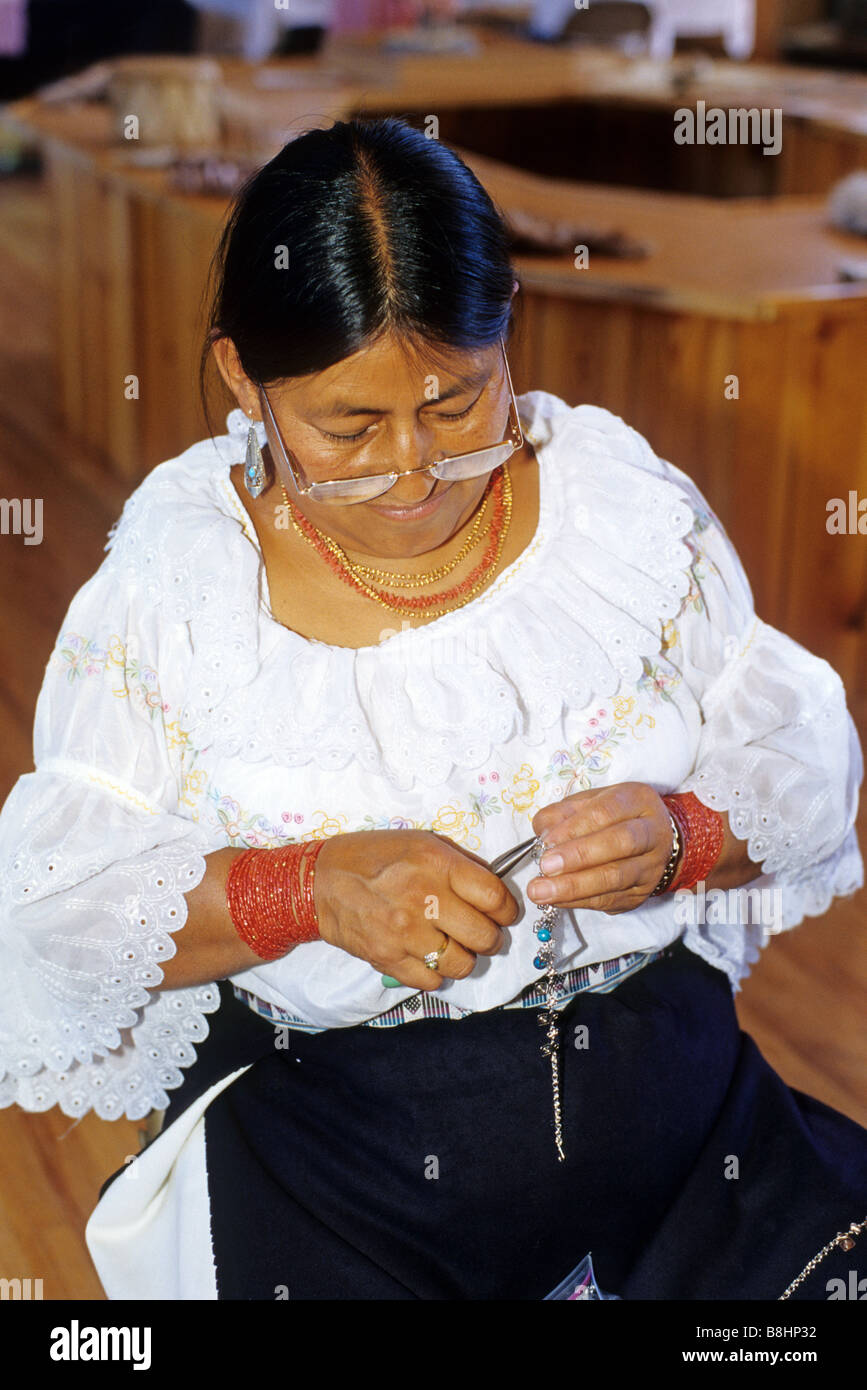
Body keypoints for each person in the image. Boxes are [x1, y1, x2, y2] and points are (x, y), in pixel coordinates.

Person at [0, 116, 865, 1301]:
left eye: (458, 406)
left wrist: (683, 838)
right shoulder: (179, 590)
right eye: (348, 430)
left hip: (676, 1122)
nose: (412, 474)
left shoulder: (622, 515)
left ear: (505, 330)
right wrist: (308, 889)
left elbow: (806, 761)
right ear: (243, 377)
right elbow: (61, 906)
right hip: (347, 1168)